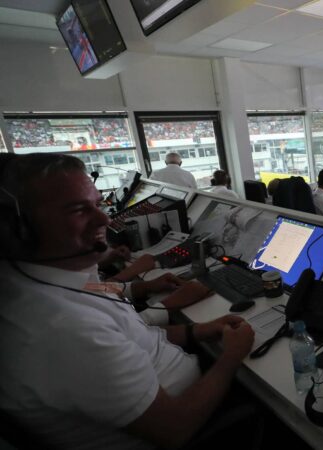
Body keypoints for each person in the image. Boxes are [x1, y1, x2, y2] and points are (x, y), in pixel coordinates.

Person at [0, 153, 254, 449]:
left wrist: (196, 330)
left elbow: (129, 332)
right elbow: (175, 428)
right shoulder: (60, 329)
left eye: (97, 203)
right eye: (78, 210)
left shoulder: (43, 280)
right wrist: (230, 357)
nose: (104, 219)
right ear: (19, 230)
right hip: (191, 427)